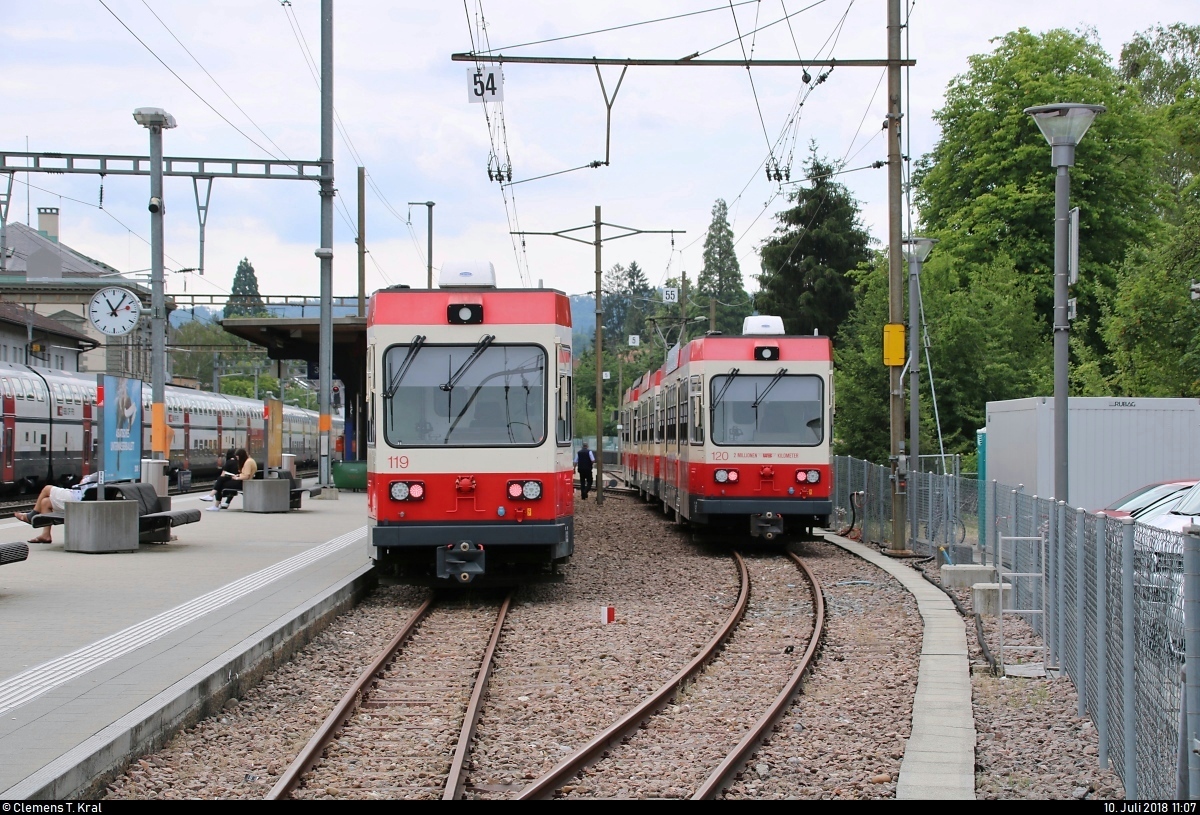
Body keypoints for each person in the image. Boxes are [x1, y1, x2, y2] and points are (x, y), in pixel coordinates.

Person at [16, 472, 101, 543]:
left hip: (77, 498)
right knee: (45, 502)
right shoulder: (110, 474)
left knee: (47, 488)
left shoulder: (103, 471)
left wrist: (86, 477)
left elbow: (84, 481)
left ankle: (31, 516)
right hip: (82, 499)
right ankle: (46, 535)